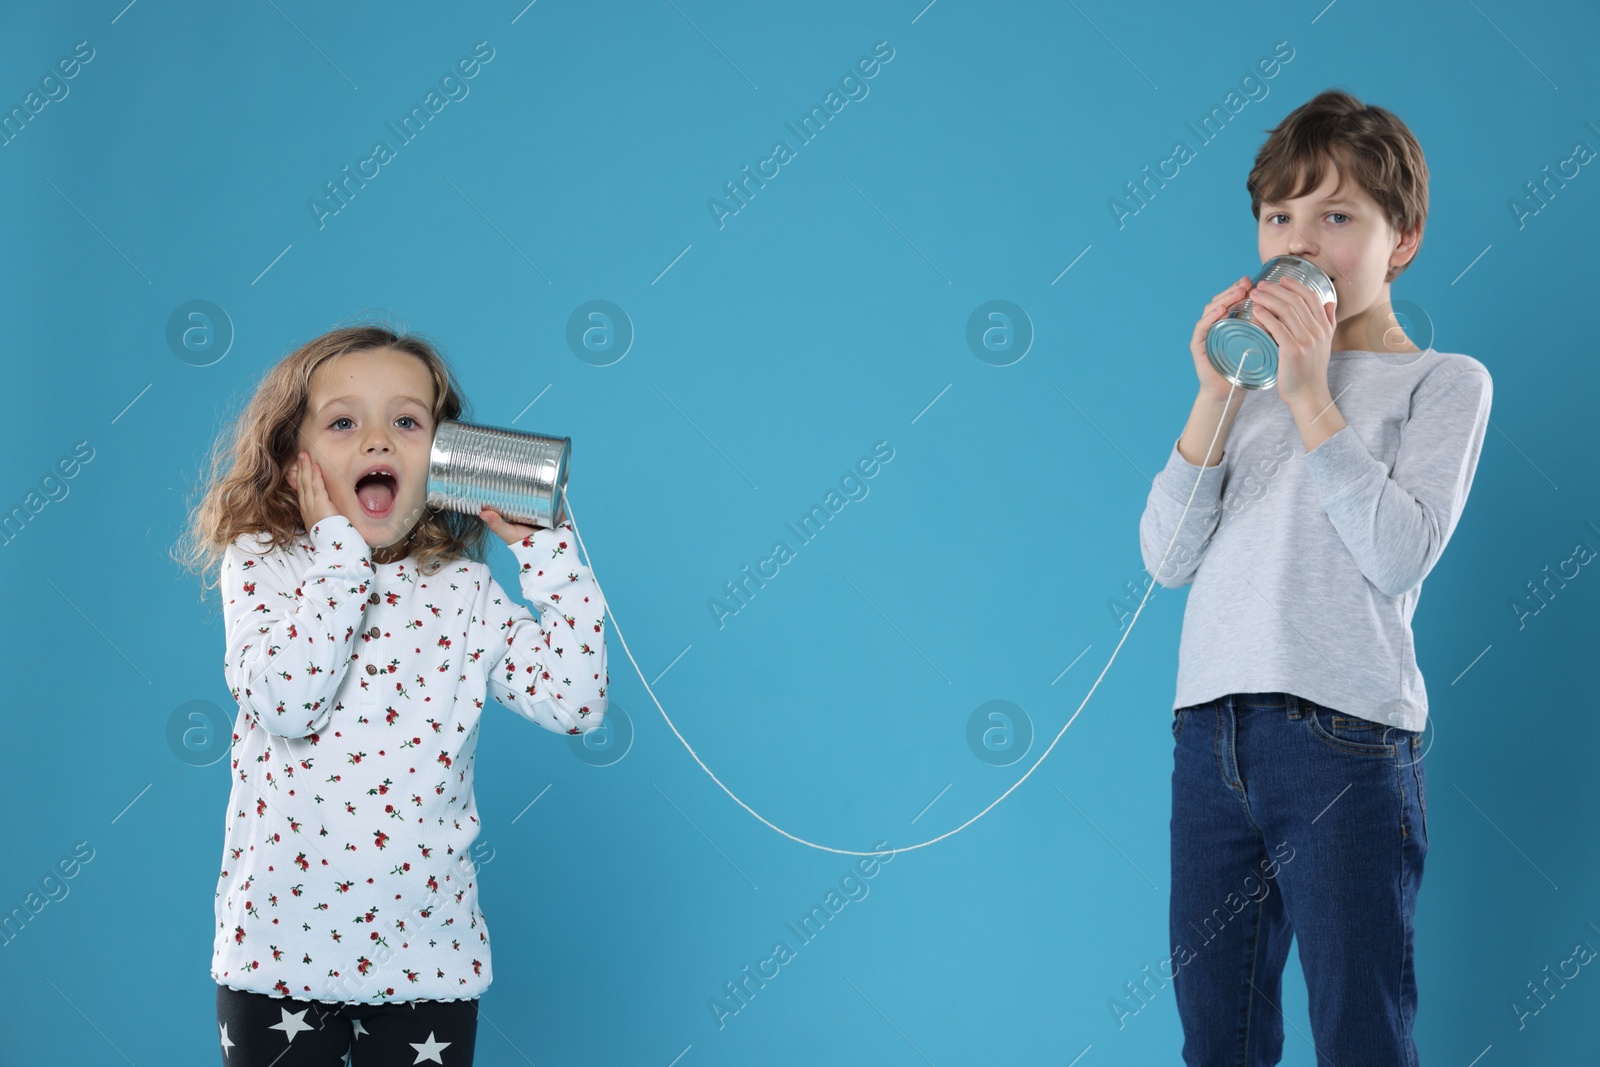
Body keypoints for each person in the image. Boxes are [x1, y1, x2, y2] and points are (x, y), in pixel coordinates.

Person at [1138, 89, 1492, 1065]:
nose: (1299, 240)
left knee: (1359, 1029)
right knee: (1218, 1036)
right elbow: (1166, 559)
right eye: (1279, 216)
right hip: (1209, 737)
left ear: (1402, 240)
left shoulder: (1441, 381)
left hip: (1343, 743)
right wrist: (1217, 397)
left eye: (1336, 216)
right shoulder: (1243, 389)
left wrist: (1310, 394)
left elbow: (1396, 550)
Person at [174, 323, 608, 1065]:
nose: (378, 440)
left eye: (407, 422)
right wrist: (340, 553)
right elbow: (287, 699)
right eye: (344, 422)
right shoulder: (267, 567)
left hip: (426, 967)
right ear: (291, 464)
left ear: (444, 459)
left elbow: (576, 699)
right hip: (278, 962)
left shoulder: (462, 592)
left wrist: (546, 549)